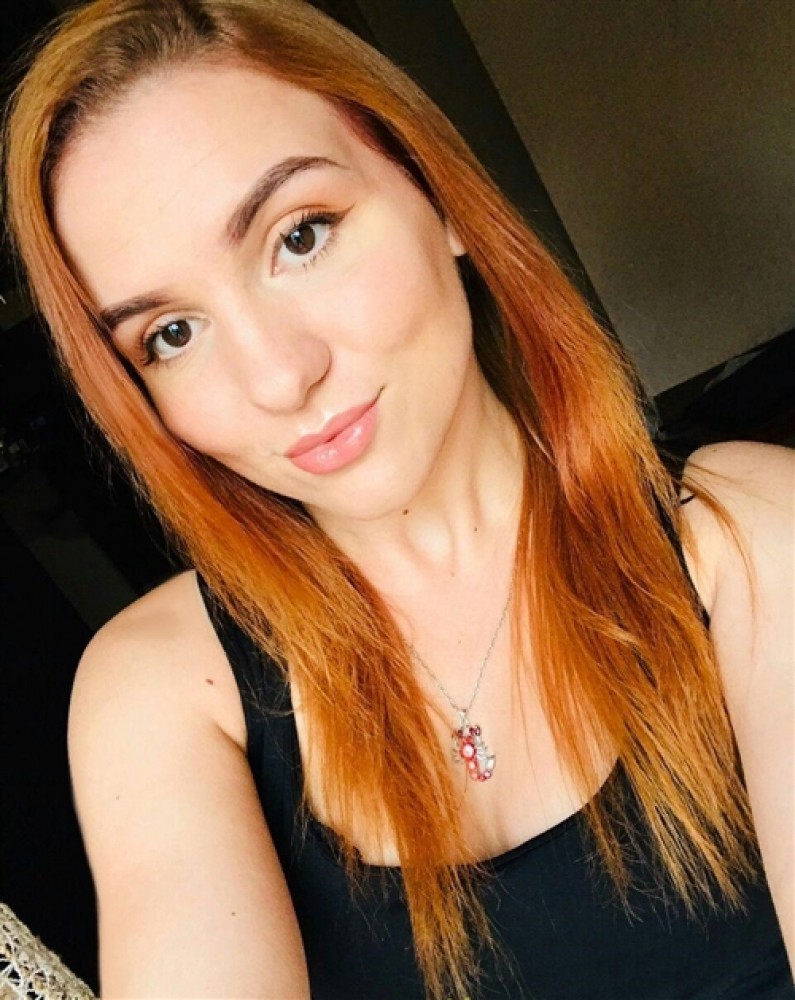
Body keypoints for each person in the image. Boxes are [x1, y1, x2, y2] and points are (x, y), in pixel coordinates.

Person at [3, 1, 793, 997]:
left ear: (435, 191)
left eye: (300, 236)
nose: (278, 376)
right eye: (171, 333)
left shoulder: (748, 533)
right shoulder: (165, 691)